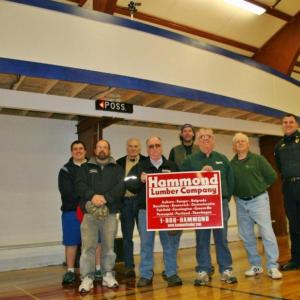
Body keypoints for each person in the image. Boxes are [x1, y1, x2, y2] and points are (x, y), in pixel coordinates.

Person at [181, 128, 237, 285]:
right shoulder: (189, 161)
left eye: (209, 137)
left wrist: (225, 198)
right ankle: (203, 270)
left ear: (214, 141)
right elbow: (182, 181)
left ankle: (226, 269)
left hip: (220, 203)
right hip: (200, 205)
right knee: (202, 238)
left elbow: (231, 180)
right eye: (202, 137)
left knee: (222, 238)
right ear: (197, 141)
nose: (205, 139)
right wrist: (200, 173)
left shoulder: (222, 159)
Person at [126, 136, 182, 287]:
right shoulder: (140, 166)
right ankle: (145, 275)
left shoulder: (172, 165)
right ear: (147, 149)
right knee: (146, 244)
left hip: (166, 211)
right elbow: (129, 183)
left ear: (161, 147)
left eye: (157, 145)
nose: (155, 148)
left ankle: (171, 273)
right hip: (146, 211)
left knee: (169, 243)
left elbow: (183, 186)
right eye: (151, 146)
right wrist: (139, 179)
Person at [76, 140, 125, 293]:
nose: (102, 149)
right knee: (87, 247)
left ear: (109, 150)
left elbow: (120, 186)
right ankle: (86, 278)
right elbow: (79, 184)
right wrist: (93, 196)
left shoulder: (117, 168)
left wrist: (106, 198)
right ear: (95, 150)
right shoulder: (85, 167)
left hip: (109, 213)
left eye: (105, 147)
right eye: (99, 147)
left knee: (109, 247)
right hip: (89, 214)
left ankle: (108, 274)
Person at [231, 132, 282, 279]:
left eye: (243, 141)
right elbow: (231, 183)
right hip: (241, 202)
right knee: (246, 236)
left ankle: (272, 266)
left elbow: (272, 175)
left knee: (267, 233)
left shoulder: (258, 159)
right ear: (234, 146)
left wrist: (260, 187)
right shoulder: (231, 164)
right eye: (237, 142)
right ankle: (256, 265)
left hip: (259, 201)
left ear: (248, 144)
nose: (240, 143)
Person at [58, 140, 88, 284]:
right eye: (75, 149)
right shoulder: (65, 170)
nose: (78, 151)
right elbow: (67, 192)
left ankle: (95, 270)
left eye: (81, 149)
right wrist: (87, 195)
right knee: (71, 242)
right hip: (71, 211)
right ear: (71, 152)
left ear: (85, 151)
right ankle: (70, 271)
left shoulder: (93, 167)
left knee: (96, 243)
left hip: (91, 212)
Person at [117, 138, 146, 278]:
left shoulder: (147, 162)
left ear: (140, 149)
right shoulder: (118, 163)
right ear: (126, 148)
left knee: (145, 236)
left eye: (136, 146)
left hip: (142, 204)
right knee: (127, 237)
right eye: (130, 146)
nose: (133, 149)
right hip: (126, 204)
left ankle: (146, 266)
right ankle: (129, 267)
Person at [274, 114, 300, 271]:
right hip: (289, 188)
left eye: (291, 122)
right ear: (282, 125)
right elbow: (279, 167)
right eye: (285, 122)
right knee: (295, 225)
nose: (288, 124)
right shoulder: (279, 146)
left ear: (297, 125)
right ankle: (297, 259)